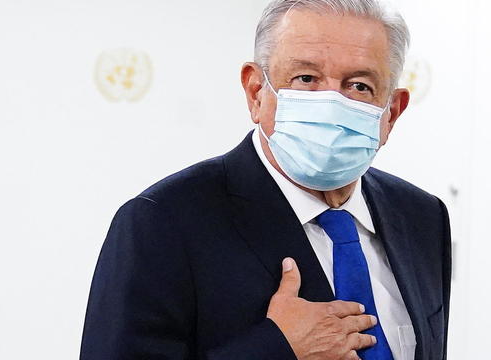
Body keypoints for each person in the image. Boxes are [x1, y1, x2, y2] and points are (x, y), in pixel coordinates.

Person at [79, 1, 451, 359]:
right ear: (257, 92)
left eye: (359, 86)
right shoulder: (162, 223)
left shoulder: (422, 217)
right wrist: (277, 350)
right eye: (306, 78)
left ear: (392, 112)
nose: (331, 103)